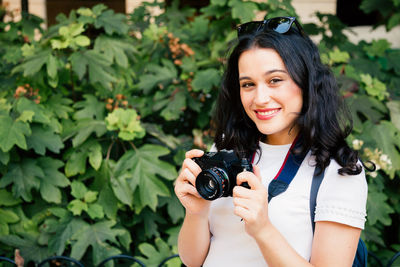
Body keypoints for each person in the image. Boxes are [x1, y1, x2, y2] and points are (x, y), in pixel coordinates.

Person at [174, 16, 368, 267]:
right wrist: (196, 212)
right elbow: (193, 260)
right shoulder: (226, 150)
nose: (260, 98)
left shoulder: (339, 170)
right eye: (248, 84)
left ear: (306, 81)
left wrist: (263, 229)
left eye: (275, 80)